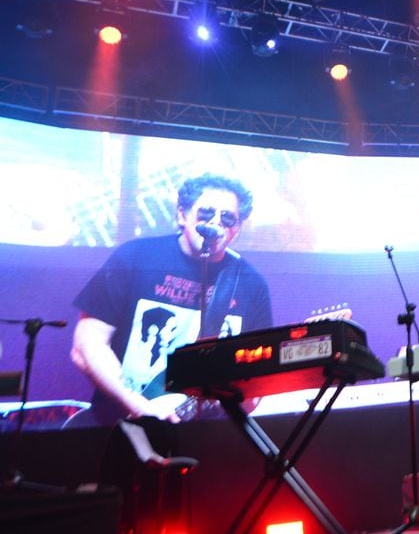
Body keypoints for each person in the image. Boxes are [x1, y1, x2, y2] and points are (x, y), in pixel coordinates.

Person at [70, 173, 273, 427]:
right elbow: (87, 346)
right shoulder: (136, 257)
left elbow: (257, 379)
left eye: (227, 218)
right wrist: (138, 406)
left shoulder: (249, 284)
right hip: (117, 424)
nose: (215, 223)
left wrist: (243, 398)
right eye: (206, 213)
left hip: (200, 435)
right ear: (181, 216)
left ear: (237, 229)